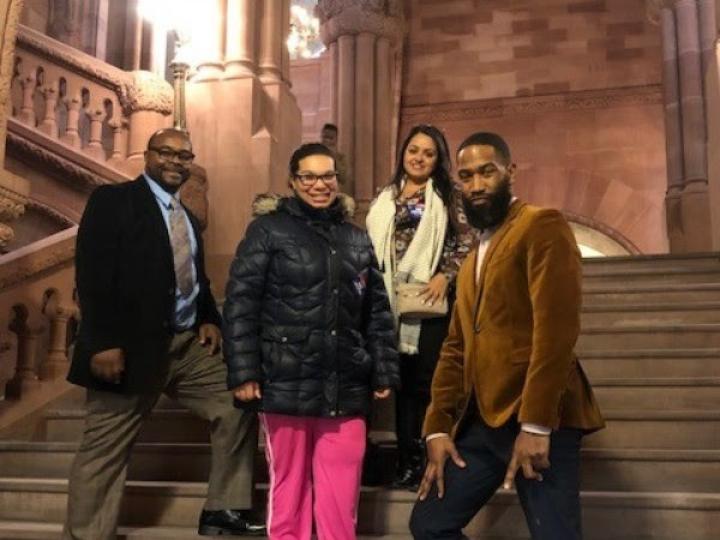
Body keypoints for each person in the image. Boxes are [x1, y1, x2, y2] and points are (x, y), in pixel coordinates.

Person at [64, 128, 264, 538]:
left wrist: (210, 317)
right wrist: (102, 342)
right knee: (103, 451)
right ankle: (86, 535)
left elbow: (196, 279)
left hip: (185, 346)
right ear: (147, 155)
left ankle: (223, 510)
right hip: (127, 348)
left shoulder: (186, 217)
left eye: (185, 156)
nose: (176, 162)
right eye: (167, 153)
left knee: (236, 404)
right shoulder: (114, 201)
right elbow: (93, 274)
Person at [409, 132, 605, 540]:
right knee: (430, 524)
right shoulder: (469, 260)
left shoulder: (541, 225)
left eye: (487, 172)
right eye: (466, 176)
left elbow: (556, 332)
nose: (477, 185)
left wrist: (536, 425)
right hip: (483, 424)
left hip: (541, 417)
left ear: (509, 172)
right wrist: (438, 427)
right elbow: (455, 349)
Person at [223, 143, 399, 539]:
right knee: (290, 491)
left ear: (337, 180)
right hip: (285, 380)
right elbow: (241, 303)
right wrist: (244, 371)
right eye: (309, 176)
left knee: (341, 497)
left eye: (328, 176)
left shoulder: (356, 238)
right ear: (292, 182)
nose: (320, 184)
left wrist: (383, 370)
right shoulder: (267, 231)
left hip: (346, 382)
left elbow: (377, 311)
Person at [366, 124, 471, 491]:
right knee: (401, 383)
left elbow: (467, 240)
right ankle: (407, 460)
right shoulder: (385, 196)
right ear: (403, 153)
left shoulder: (448, 194)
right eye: (414, 150)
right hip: (388, 303)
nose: (419, 158)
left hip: (427, 302)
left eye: (428, 153)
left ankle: (429, 454)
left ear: (438, 159)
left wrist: (446, 274)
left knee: (424, 384)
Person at [321, 123, 353, 195]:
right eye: (325, 137)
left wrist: (333, 156)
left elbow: (343, 178)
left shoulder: (341, 158)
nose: (327, 141)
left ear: (336, 140)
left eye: (330, 138)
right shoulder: (313, 156)